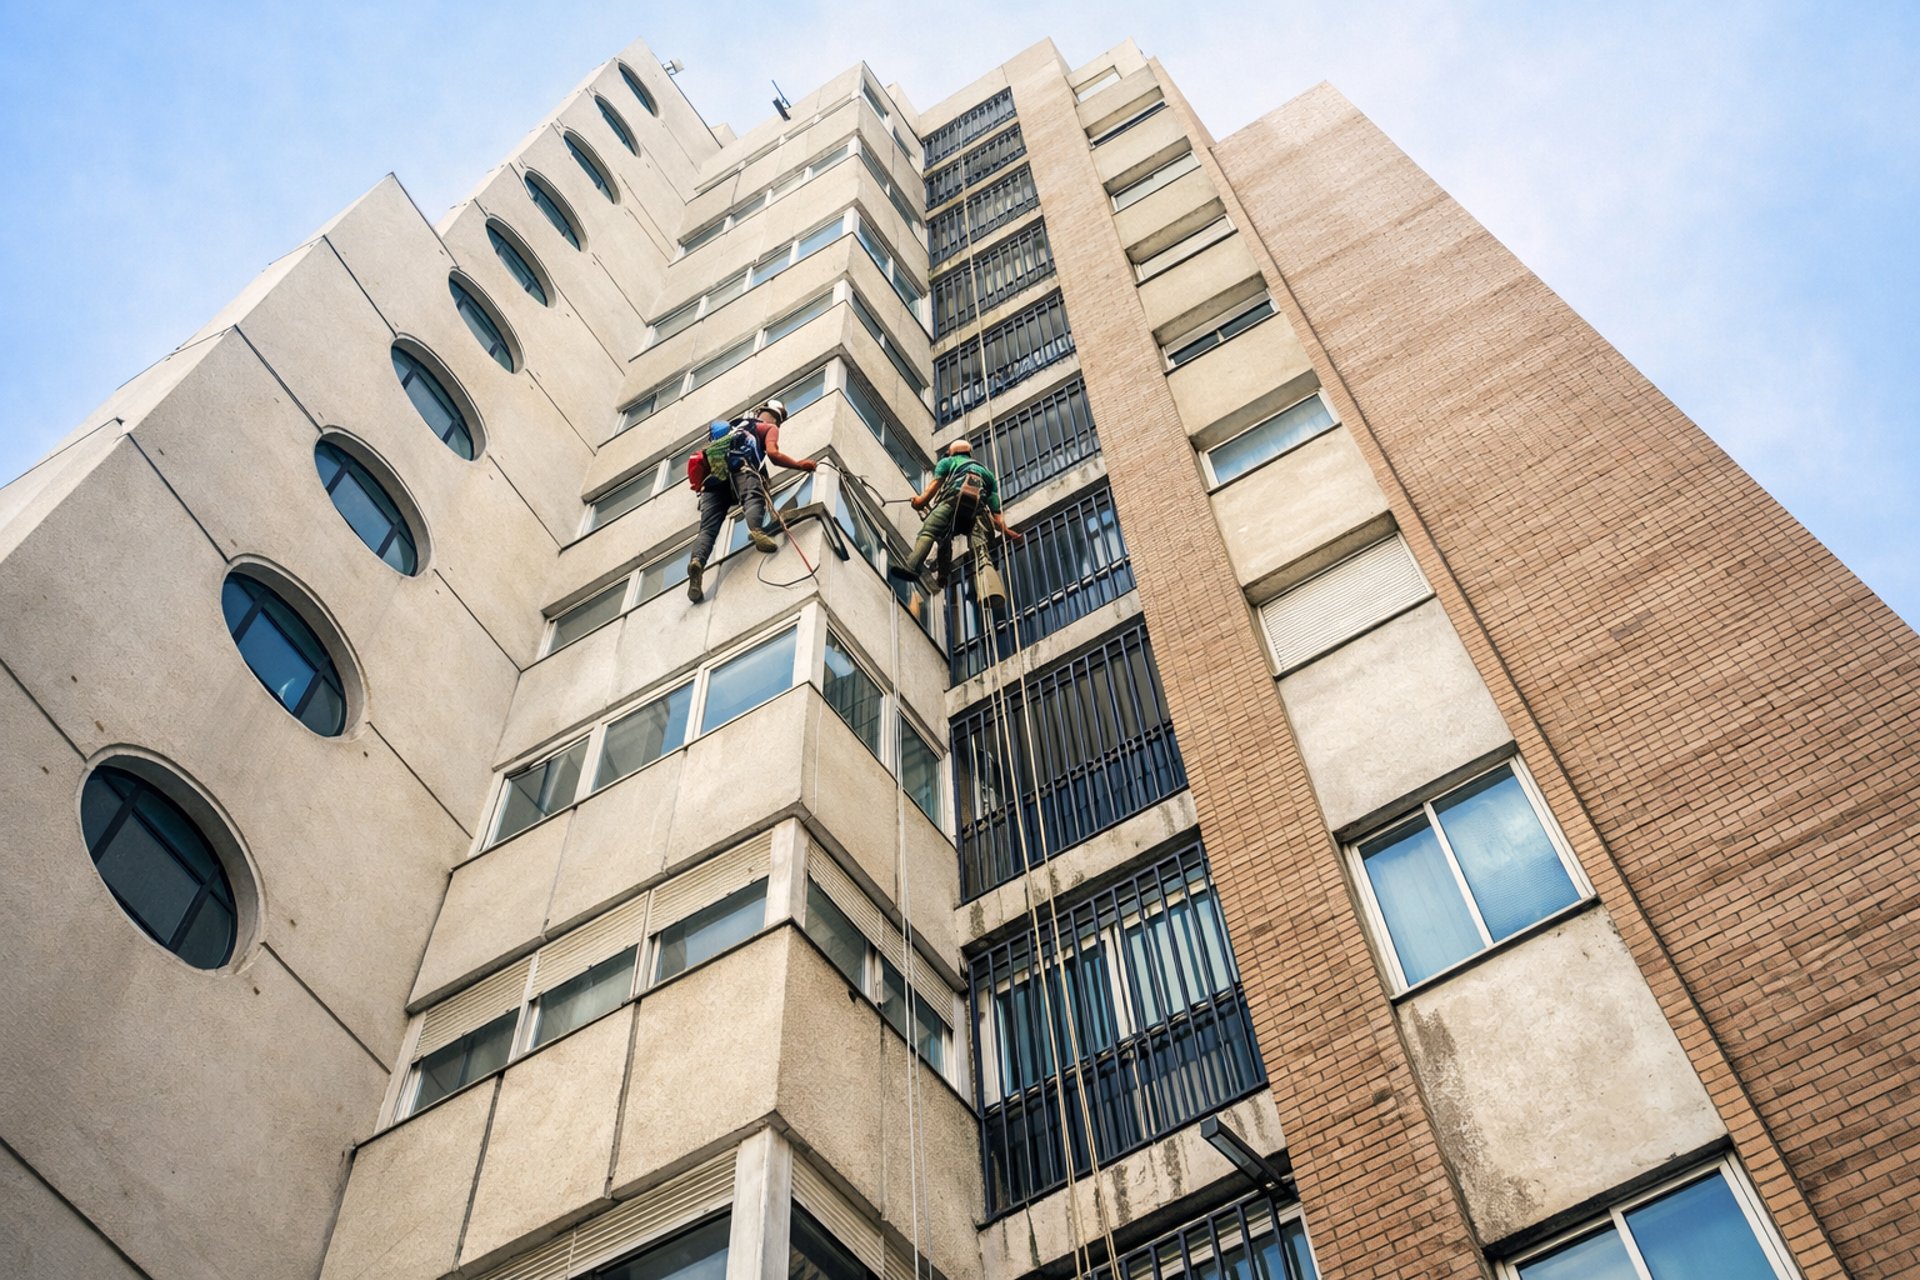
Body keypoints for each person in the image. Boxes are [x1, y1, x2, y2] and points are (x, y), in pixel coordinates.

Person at [686, 399, 817, 602]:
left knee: (708, 529)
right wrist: (800, 465)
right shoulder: (768, 428)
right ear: (777, 419)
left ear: (758, 410)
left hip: (713, 481)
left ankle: (697, 562)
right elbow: (773, 454)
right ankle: (757, 531)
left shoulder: (735, 427)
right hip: (741, 469)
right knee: (752, 495)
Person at [889, 438, 1021, 592]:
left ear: (951, 452)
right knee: (980, 550)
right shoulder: (988, 475)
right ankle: (989, 586)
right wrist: (1009, 532)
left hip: (951, 502)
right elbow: (997, 517)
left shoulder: (947, 462)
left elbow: (929, 493)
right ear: (968, 453)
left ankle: (912, 566)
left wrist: (917, 503)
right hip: (976, 512)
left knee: (930, 532)